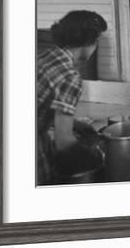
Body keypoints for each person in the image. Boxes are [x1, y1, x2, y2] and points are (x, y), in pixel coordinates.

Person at [37, 10, 107, 185]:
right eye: (97, 40)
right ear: (88, 42)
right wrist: (96, 154)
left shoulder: (46, 57)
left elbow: (41, 107)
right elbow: (64, 142)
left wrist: (77, 124)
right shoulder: (70, 77)